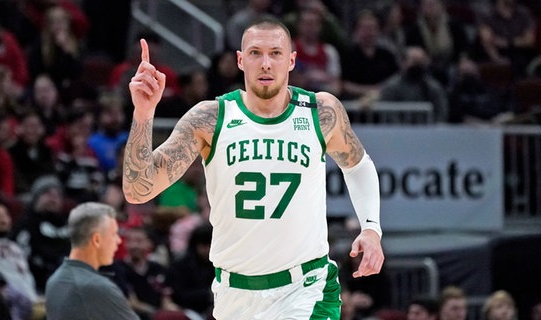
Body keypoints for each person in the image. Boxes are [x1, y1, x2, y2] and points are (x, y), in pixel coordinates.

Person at [123, 17, 384, 319]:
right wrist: (143, 113)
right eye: (255, 53)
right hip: (235, 293)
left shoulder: (320, 111)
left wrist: (371, 228)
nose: (266, 63)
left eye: (275, 53)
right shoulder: (210, 118)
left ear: (291, 60)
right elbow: (138, 189)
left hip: (305, 288)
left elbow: (357, 165)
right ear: (240, 60)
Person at [44, 202, 140, 320]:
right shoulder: (97, 286)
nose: (119, 241)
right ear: (96, 240)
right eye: (114, 234)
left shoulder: (54, 279)